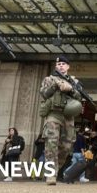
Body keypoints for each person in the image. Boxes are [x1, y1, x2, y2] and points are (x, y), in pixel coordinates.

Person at [39, 56, 83, 185]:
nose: (61, 66)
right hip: (54, 114)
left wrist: (71, 89)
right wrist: (56, 86)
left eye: (64, 64)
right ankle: (51, 174)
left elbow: (79, 97)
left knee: (66, 147)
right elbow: (44, 93)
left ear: (68, 67)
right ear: (55, 66)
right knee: (51, 143)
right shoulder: (49, 79)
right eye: (59, 64)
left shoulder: (74, 81)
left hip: (69, 116)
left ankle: (55, 170)